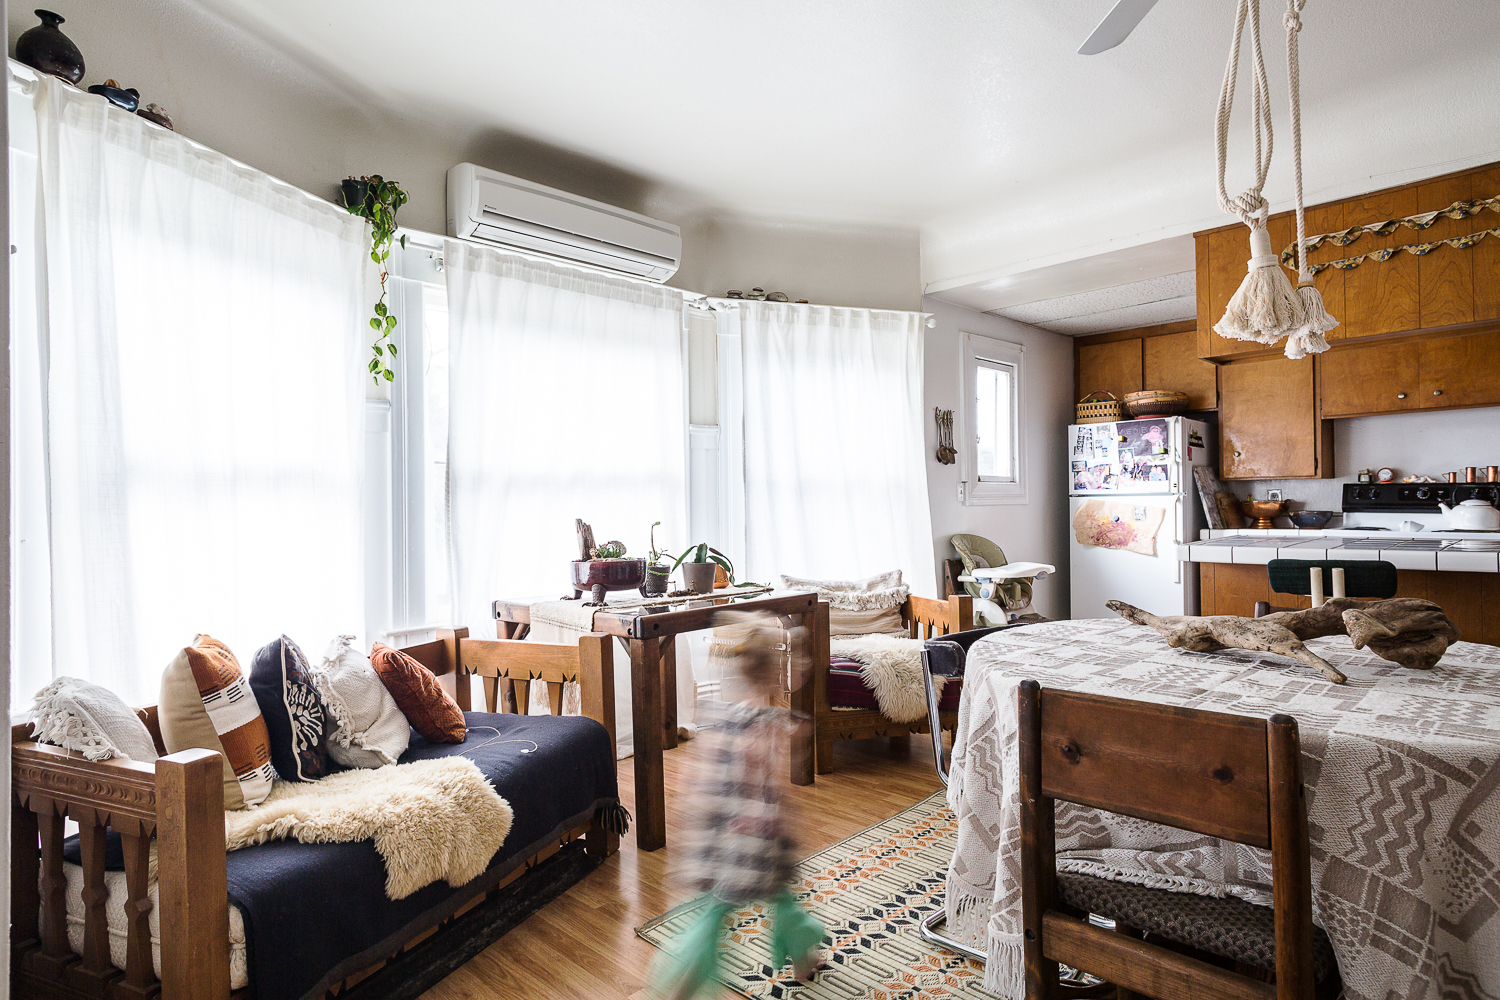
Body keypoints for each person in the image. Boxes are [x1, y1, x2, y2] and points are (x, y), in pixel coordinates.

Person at [655, 613, 826, 998]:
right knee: (769, 899)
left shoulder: (719, 718)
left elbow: (693, 780)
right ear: (776, 674)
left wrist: (694, 823)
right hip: (756, 840)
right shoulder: (770, 724)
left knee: (722, 909)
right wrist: (789, 822)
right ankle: (687, 979)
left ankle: (798, 956)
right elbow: (774, 787)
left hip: (719, 833)